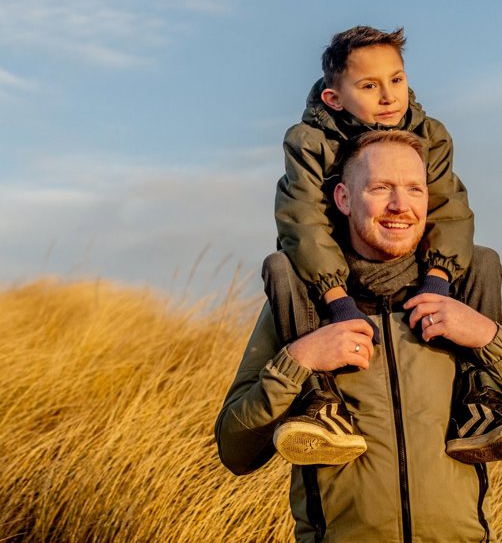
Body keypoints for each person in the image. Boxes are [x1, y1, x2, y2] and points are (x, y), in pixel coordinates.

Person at [215, 131, 502, 542]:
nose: (400, 205)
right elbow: (235, 450)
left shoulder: (468, 295)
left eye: (414, 189)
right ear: (344, 200)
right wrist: (298, 361)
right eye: (381, 188)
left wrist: (488, 337)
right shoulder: (303, 303)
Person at [271, 25, 499, 463]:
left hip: (410, 265)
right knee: (281, 266)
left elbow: (449, 210)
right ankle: (321, 402)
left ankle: (482, 398)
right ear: (333, 99)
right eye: (369, 85)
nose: (389, 96)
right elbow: (303, 220)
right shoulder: (309, 141)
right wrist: (336, 300)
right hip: (340, 271)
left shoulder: (430, 134)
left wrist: (436, 280)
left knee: (486, 259)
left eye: (396, 79)